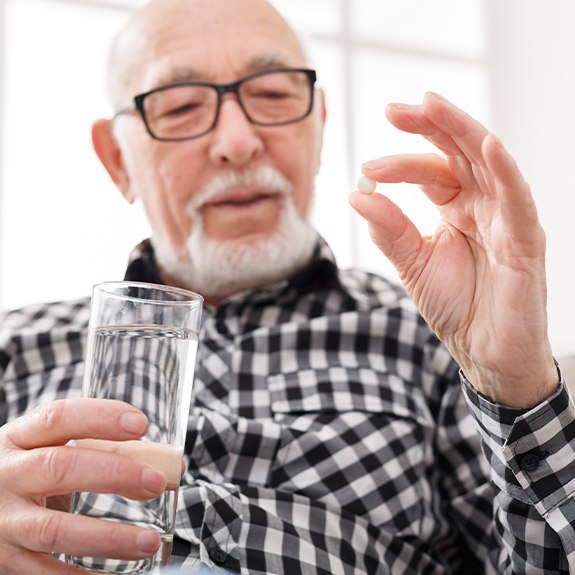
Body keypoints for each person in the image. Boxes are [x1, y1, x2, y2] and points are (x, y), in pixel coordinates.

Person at [0, 0, 572, 573]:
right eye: (179, 107)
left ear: (318, 126)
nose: (238, 141)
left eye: (273, 95)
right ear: (118, 159)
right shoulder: (14, 348)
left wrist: (513, 380)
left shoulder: (432, 335)